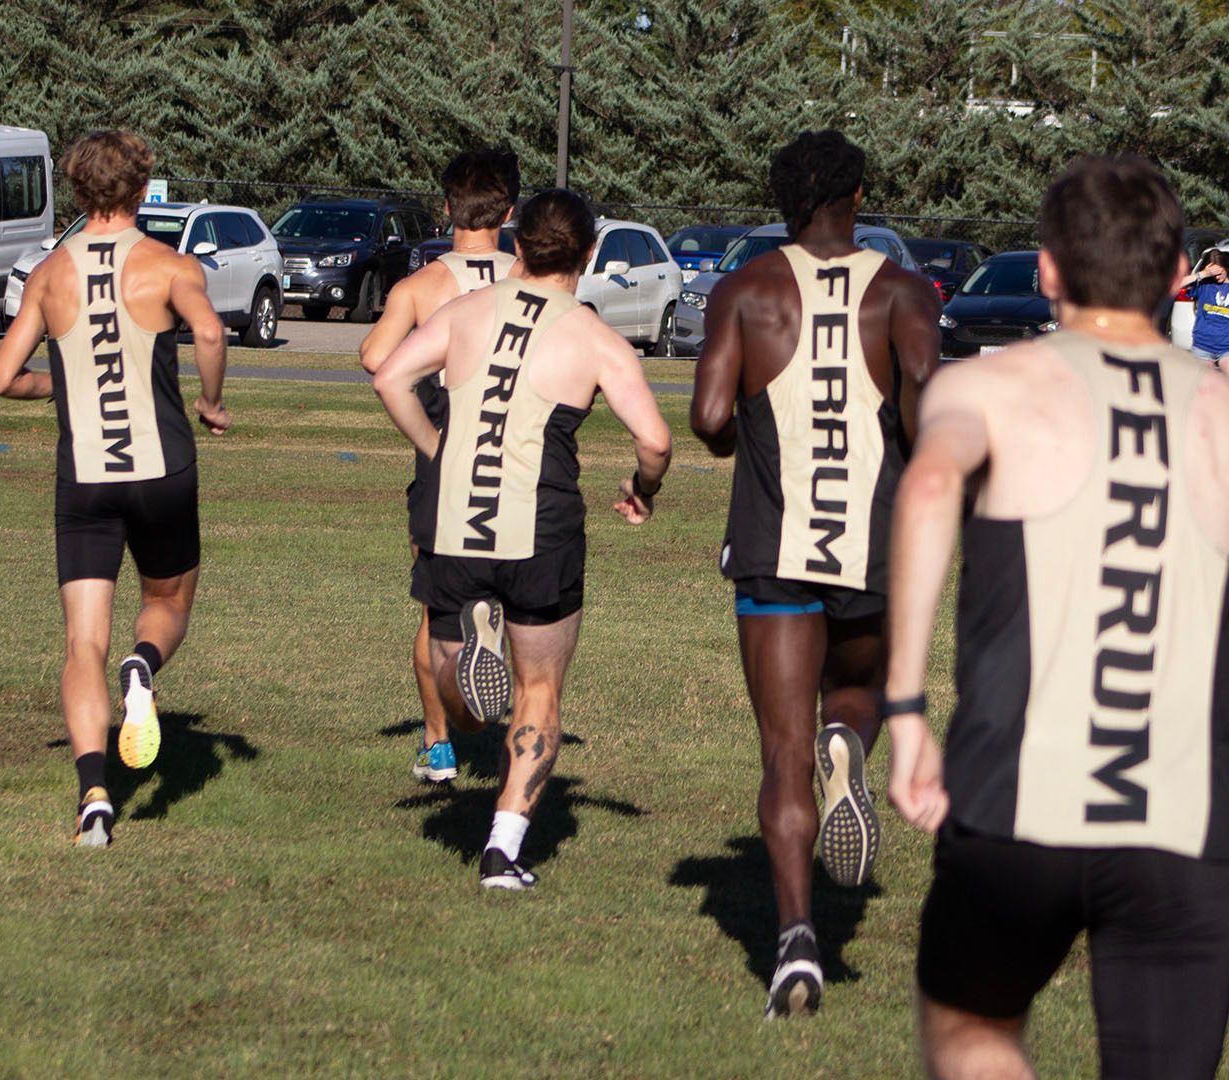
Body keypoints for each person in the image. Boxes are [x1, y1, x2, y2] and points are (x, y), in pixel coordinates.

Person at [882, 156, 1229, 1078]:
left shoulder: (986, 387)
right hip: (1181, 834)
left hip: (1014, 812)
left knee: (971, 1034)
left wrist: (904, 711)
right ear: (1179, 273)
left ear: (1049, 270)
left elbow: (931, 481)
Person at [689, 129, 942, 1018]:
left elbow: (710, 415)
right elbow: (922, 386)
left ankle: (795, 945)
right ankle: (853, 749)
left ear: (782, 199)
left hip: (772, 544)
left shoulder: (746, 290)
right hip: (875, 549)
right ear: (859, 195)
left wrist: (741, 434)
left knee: (779, 754)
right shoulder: (904, 289)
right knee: (860, 693)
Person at [371, 189, 672, 891]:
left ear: (518, 243)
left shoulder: (466, 311)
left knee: (461, 710)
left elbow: (389, 375)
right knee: (538, 688)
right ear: (589, 253)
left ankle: (471, 656)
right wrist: (644, 488)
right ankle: (503, 850)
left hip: (459, 524)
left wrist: (438, 448)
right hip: (542, 527)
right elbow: (655, 440)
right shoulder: (595, 335)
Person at [0, 130, 231, 848]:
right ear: (142, 187)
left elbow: (2, 379)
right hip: (161, 471)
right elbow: (211, 335)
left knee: (79, 642)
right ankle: (144, 665)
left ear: (77, 190)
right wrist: (212, 404)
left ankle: (94, 795)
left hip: (85, 478)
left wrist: (61, 389)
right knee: (166, 603)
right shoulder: (169, 265)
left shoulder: (48, 274)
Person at [359, 149, 522, 785]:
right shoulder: (529, 275)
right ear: (510, 212)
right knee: (521, 595)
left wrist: (429, 366)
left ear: (446, 208)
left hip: (446, 453)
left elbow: (375, 357)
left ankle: (438, 743)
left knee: (435, 612)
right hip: (517, 454)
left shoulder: (421, 286)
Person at [1183, 249, 1229, 380]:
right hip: (1202, 346)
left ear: (1226, 267)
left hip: (1228, 346)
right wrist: (1201, 274)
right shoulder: (1204, 284)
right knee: (1204, 389)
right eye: (1213, 274)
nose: (1217, 277)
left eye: (1219, 272)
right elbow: (1174, 285)